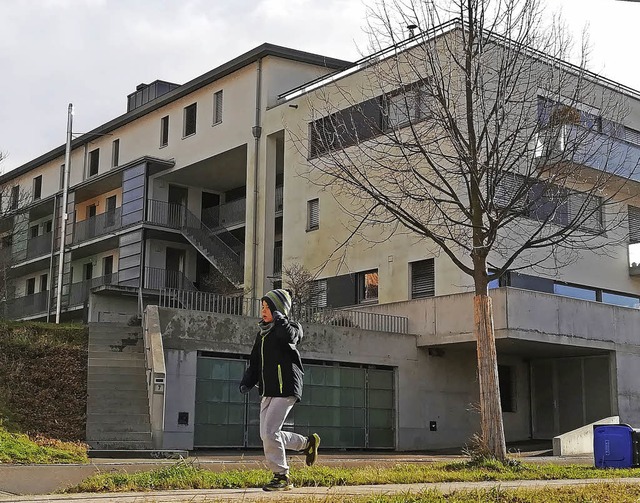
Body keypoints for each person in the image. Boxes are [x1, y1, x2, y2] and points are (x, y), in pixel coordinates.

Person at [240, 288, 320, 491]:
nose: (264, 311)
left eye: (269, 307)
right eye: (263, 307)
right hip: (268, 390)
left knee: (270, 432)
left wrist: (281, 318)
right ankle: (306, 443)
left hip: (286, 387)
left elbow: (289, 337)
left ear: (279, 310)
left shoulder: (292, 326)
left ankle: (282, 476)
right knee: (267, 435)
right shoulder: (262, 334)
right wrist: (248, 381)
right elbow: (255, 362)